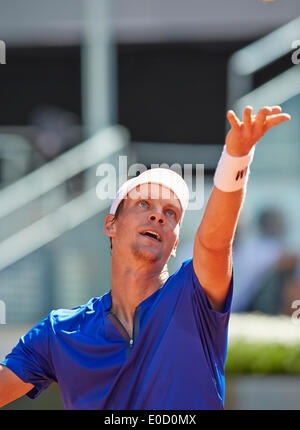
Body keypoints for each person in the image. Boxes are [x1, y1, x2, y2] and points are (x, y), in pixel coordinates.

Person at [0, 106, 290, 410]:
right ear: (111, 224)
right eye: (143, 203)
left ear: (175, 243)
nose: (158, 215)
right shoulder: (59, 332)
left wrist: (237, 157)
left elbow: (215, 244)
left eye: (171, 213)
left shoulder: (194, 296)